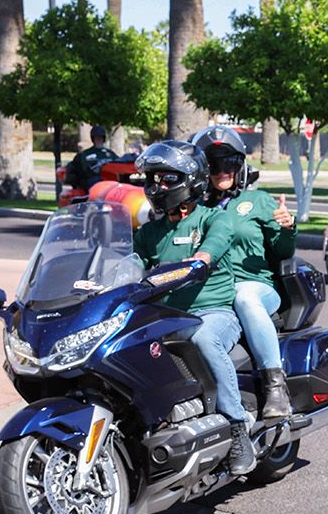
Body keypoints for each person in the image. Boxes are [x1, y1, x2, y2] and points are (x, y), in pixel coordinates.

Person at [132, 140, 255, 475]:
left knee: (204, 339)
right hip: (165, 318)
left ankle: (236, 427)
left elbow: (215, 245)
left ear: (192, 179)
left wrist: (201, 258)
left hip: (213, 313)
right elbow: (131, 264)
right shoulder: (149, 232)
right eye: (153, 179)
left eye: (167, 178)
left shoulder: (215, 219)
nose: (157, 186)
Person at [191, 125, 297, 419]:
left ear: (240, 166)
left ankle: (275, 385)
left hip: (256, 287)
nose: (222, 171)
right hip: (213, 293)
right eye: (213, 164)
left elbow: (282, 251)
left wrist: (287, 227)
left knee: (244, 295)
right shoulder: (194, 208)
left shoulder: (258, 201)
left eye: (230, 163)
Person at [65, 125, 118, 190]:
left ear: (103, 138)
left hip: (109, 180)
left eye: (100, 137)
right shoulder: (85, 154)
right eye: (97, 138)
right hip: (92, 181)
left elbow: (119, 163)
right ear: (93, 139)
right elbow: (78, 169)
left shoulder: (110, 154)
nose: (99, 140)